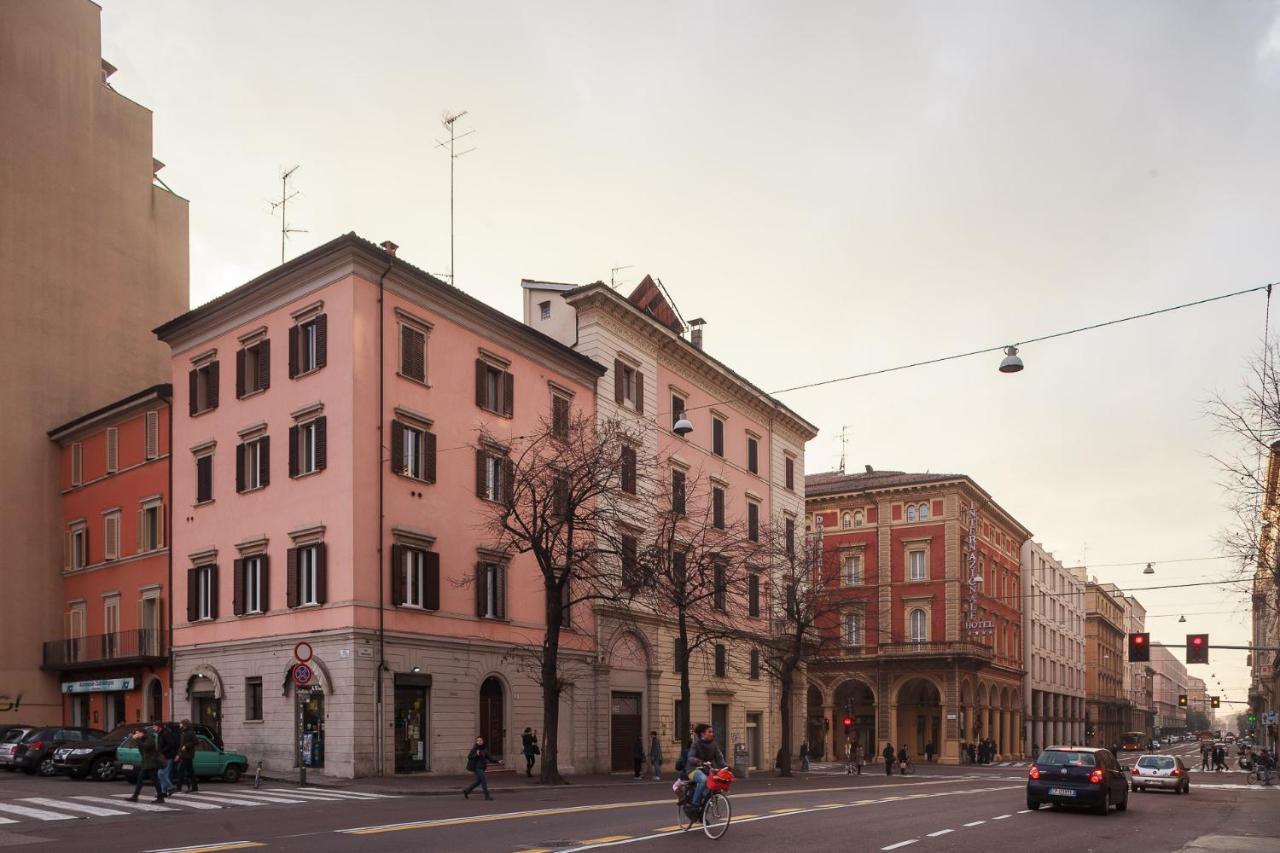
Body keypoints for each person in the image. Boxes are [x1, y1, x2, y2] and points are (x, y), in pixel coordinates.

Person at [686, 724, 727, 815]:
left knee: (711, 790)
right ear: (702, 734)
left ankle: (701, 815)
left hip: (706, 770)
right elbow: (690, 757)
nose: (712, 733)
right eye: (709, 732)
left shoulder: (714, 745)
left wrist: (726, 767)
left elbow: (719, 758)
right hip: (693, 770)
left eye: (712, 732)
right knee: (703, 780)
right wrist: (699, 762)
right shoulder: (696, 744)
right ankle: (695, 805)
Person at [127, 728, 165, 803]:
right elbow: (130, 746)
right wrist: (132, 738)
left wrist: (137, 740)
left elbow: (146, 747)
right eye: (136, 734)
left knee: (154, 780)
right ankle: (135, 797)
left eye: (138, 733)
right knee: (141, 780)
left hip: (152, 763)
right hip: (146, 763)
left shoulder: (150, 738)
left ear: (143, 733)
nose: (137, 735)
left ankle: (160, 798)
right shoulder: (141, 739)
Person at [462, 736, 496, 800]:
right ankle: (487, 796)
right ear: (476, 742)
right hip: (477, 767)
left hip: (482, 767)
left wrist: (498, 761)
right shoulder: (474, 749)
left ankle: (466, 791)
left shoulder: (485, 749)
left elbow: (490, 758)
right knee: (484, 780)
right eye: (478, 741)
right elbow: (469, 757)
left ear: (483, 741)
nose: (479, 742)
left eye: (481, 740)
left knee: (478, 781)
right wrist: (476, 755)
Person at [155, 722, 178, 796]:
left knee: (161, 774)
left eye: (154, 726)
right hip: (163, 756)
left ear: (159, 727)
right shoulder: (160, 734)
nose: (153, 728)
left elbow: (171, 744)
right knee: (163, 774)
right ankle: (164, 791)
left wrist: (162, 752)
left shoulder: (166, 734)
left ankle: (169, 788)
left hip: (167, 756)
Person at [176, 719, 199, 793]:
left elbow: (196, 742)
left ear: (185, 725)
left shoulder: (191, 732)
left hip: (188, 755)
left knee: (180, 770)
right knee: (190, 772)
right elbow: (180, 745)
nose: (179, 725)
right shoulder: (182, 732)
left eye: (181, 723)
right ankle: (194, 787)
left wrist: (186, 745)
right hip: (183, 755)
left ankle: (179, 787)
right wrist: (178, 754)